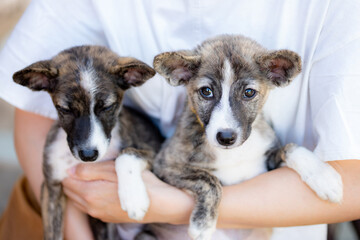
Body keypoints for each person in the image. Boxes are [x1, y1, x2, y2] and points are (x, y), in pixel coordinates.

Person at [0, 0, 360, 239]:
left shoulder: (333, 9)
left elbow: (352, 182)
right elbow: (33, 122)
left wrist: (176, 207)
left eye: (248, 94)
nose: (226, 121)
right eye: (205, 92)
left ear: (278, 74)